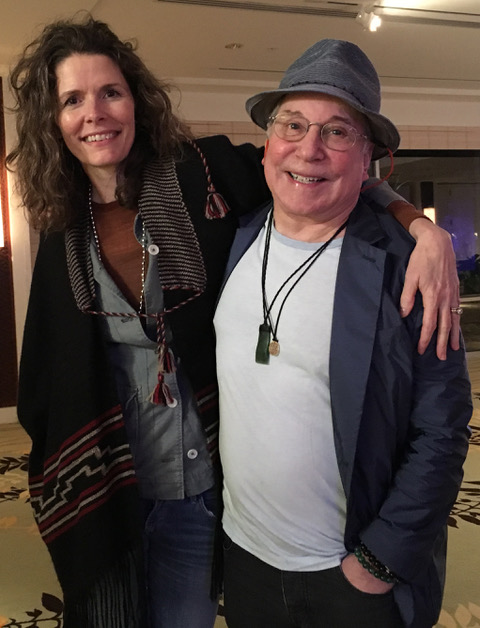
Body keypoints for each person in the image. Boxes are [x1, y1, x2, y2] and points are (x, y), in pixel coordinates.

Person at [5, 15, 462, 628]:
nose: (95, 114)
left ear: (135, 100)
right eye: (72, 100)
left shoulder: (205, 176)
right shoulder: (64, 228)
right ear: (53, 119)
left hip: (201, 489)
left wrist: (422, 228)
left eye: (110, 92)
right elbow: (50, 371)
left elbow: (316, 171)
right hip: (113, 486)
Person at [214, 39, 472, 628]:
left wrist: (380, 561)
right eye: (293, 124)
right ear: (267, 142)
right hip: (245, 560)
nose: (309, 148)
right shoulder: (233, 235)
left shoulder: (409, 269)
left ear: (367, 157)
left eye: (337, 132)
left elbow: (442, 429)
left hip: (352, 578)